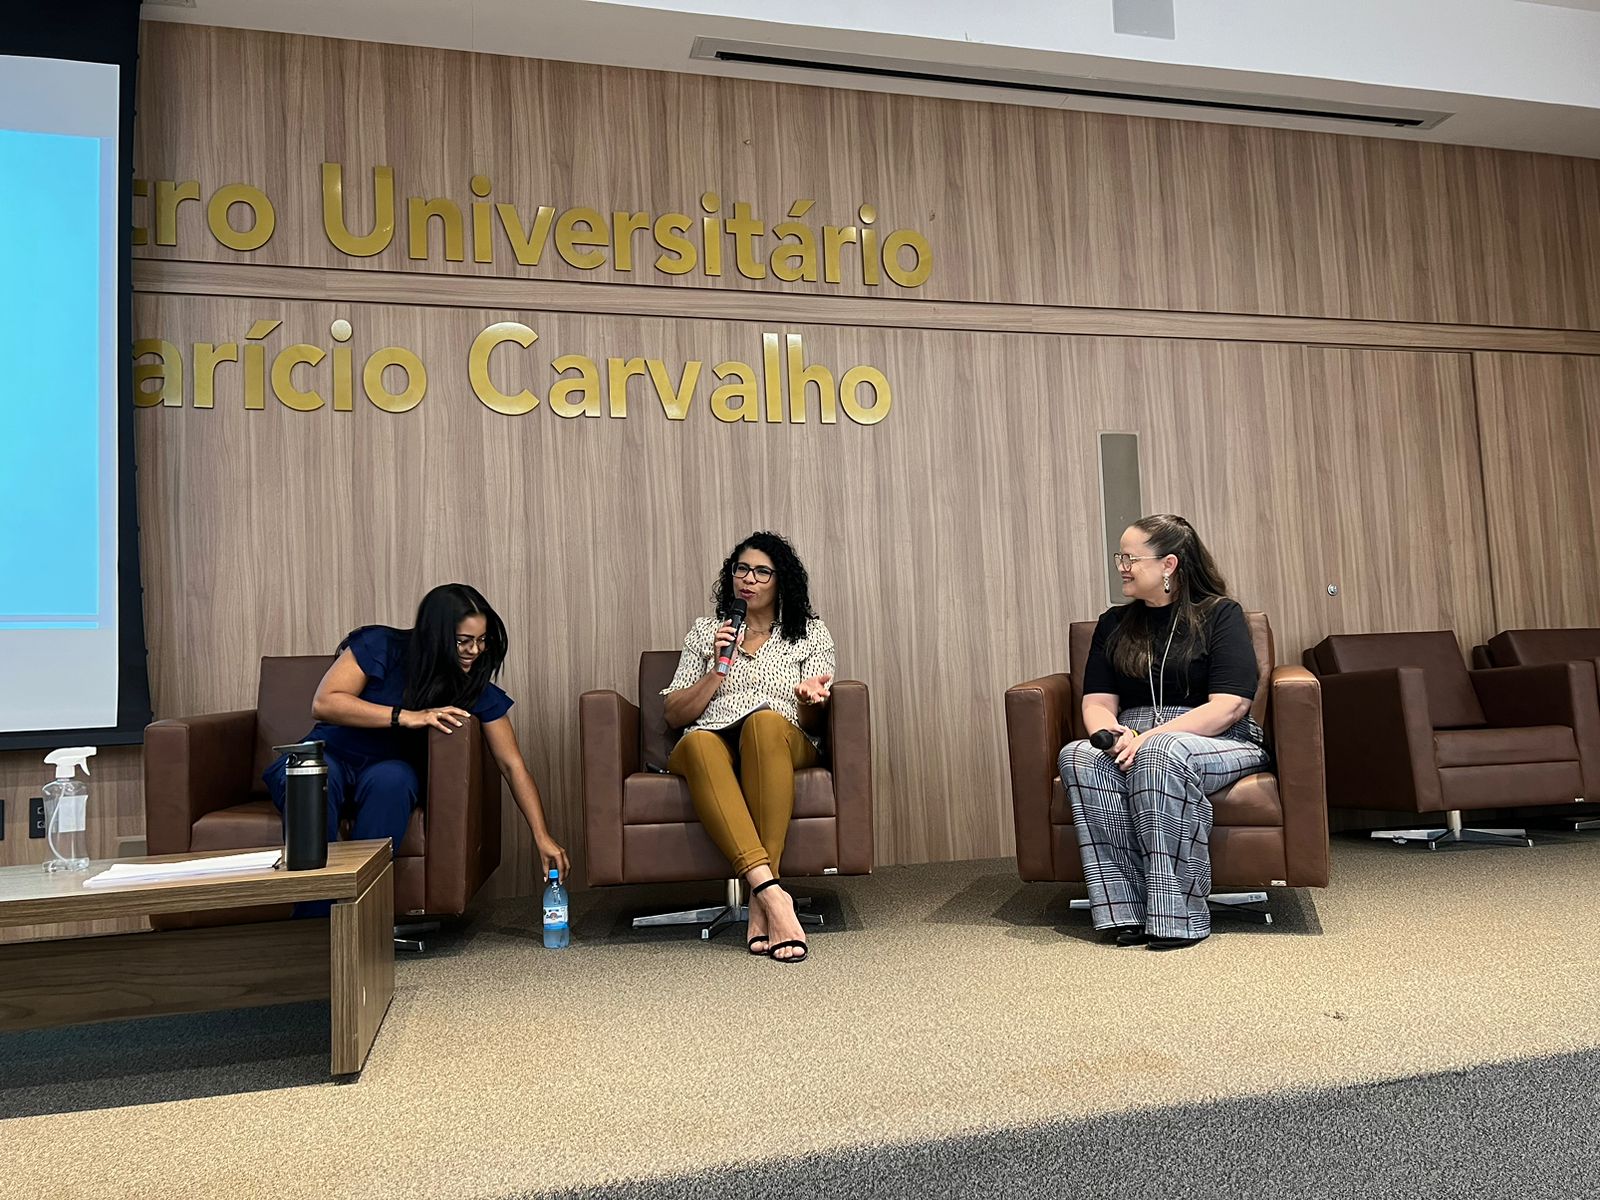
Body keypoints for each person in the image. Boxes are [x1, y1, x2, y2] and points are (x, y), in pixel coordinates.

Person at [1057, 515, 1268, 951]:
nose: (1122, 567)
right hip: (1132, 734)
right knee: (1078, 755)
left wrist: (1150, 738)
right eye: (1120, 557)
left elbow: (1230, 705)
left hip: (1216, 736)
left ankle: (1178, 915)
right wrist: (1110, 736)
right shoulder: (1114, 623)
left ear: (1169, 564)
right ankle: (1125, 910)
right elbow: (1097, 701)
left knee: (1162, 753)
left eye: (1130, 558)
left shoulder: (1220, 614)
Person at [263, 583, 569, 881]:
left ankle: (360, 907)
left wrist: (542, 835)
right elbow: (325, 703)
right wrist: (407, 717)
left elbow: (512, 765)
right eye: (463, 640)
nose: (474, 650)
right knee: (314, 777)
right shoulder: (382, 645)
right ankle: (316, 912)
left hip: (388, 773)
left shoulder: (475, 690)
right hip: (331, 756)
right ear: (435, 635)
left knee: (394, 780)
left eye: (481, 640)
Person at [661, 532, 835, 963]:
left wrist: (809, 699)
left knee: (763, 723)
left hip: (779, 734)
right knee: (698, 742)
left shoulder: (809, 634)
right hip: (714, 735)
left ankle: (760, 897)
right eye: (742, 569)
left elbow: (815, 721)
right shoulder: (707, 632)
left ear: (781, 581)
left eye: (761, 572)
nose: (749, 579)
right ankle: (772, 897)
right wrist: (716, 670)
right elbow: (674, 714)